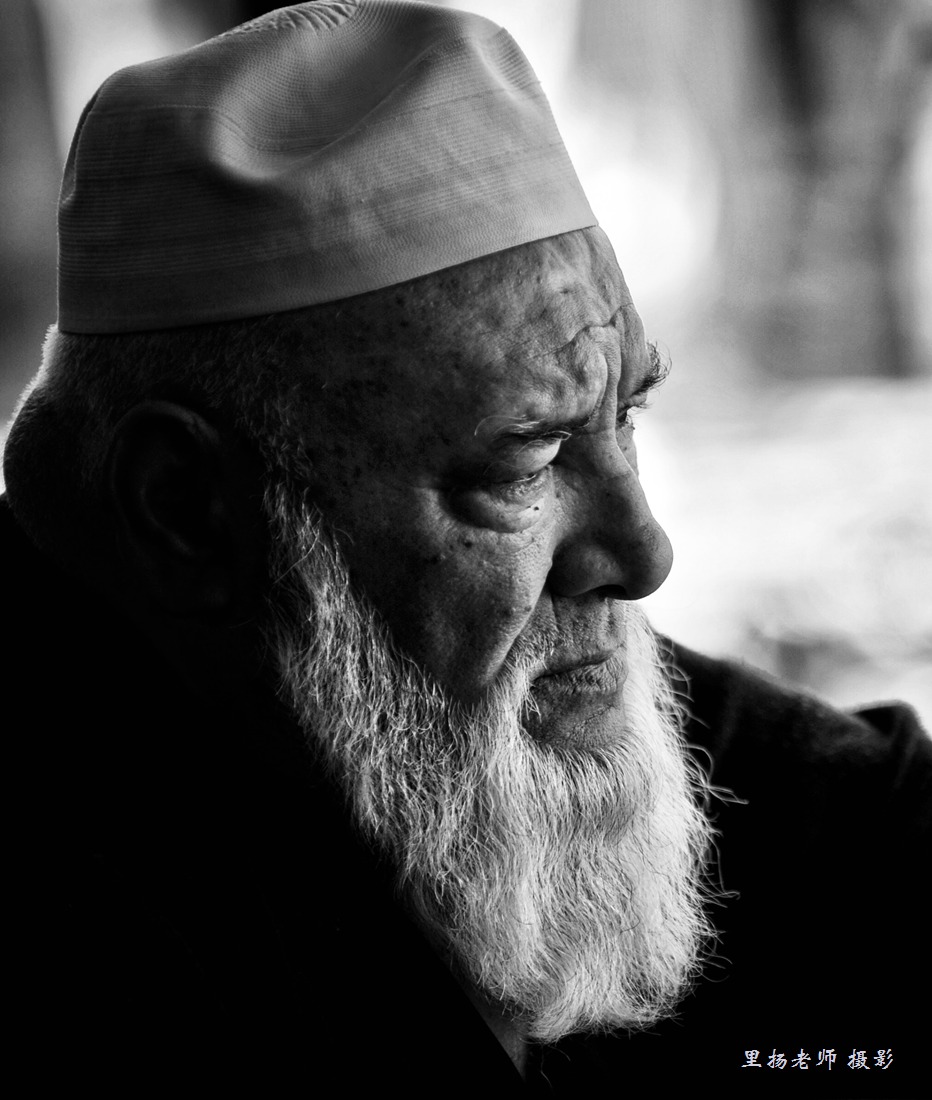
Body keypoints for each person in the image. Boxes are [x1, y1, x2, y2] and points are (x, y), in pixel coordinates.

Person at [3, 2, 928, 1094]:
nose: (643, 551)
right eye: (522, 466)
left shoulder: (445, 683)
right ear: (186, 510)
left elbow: (864, 835)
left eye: (624, 417)